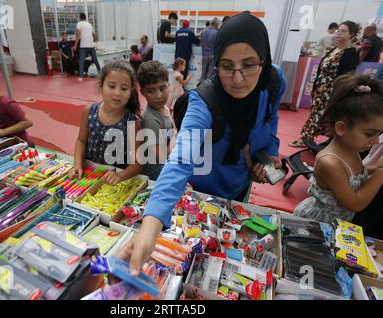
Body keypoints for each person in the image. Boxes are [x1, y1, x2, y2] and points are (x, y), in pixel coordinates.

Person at [117, 14, 286, 275]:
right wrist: (149, 229)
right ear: (215, 62)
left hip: (241, 183)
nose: (238, 78)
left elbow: (270, 119)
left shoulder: (273, 82)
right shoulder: (203, 100)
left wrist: (269, 154)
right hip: (201, 190)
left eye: (249, 65)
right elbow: (180, 158)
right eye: (226, 66)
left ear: (264, 61)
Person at [294, 74, 383, 224]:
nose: (375, 141)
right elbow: (355, 203)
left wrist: (373, 170)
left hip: (337, 223)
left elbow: (355, 179)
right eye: (370, 133)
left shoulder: (352, 150)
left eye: (379, 134)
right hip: (317, 224)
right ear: (341, 128)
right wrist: (380, 174)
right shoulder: (330, 163)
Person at [68, 60, 142, 185]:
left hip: (113, 182)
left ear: (130, 92)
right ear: (101, 85)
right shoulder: (89, 111)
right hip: (87, 176)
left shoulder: (132, 122)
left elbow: (138, 163)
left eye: (124, 88)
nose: (117, 93)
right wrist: (77, 164)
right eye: (112, 86)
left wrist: (120, 176)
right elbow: (81, 141)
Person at [290, 21, 360, 148]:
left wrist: (338, 93)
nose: (338, 33)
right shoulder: (334, 50)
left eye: (343, 31)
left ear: (352, 34)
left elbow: (347, 76)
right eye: (338, 30)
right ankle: (307, 139)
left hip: (332, 93)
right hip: (320, 92)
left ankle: (326, 142)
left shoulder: (351, 53)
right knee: (314, 116)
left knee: (330, 118)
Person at [137, 61, 177, 180]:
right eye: (151, 91)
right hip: (157, 175)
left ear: (168, 85)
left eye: (162, 88)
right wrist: (176, 135)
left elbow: (173, 127)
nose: (158, 96)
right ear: (143, 92)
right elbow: (162, 157)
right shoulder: (151, 119)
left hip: (167, 165)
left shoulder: (163, 107)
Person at [73, 13, 101, 81]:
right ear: (85, 18)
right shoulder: (89, 24)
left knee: (81, 60)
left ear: (80, 18)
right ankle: (100, 73)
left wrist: (75, 45)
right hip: (91, 45)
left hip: (83, 45)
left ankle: (81, 76)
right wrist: (94, 40)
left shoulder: (79, 24)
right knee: (95, 59)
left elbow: (78, 34)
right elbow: (94, 34)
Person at [200, 17, 220, 82]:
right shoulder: (216, 33)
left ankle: (199, 89)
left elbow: (201, 43)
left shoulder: (203, 31)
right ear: (216, 25)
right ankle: (206, 90)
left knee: (203, 75)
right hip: (212, 56)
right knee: (209, 76)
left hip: (204, 55)